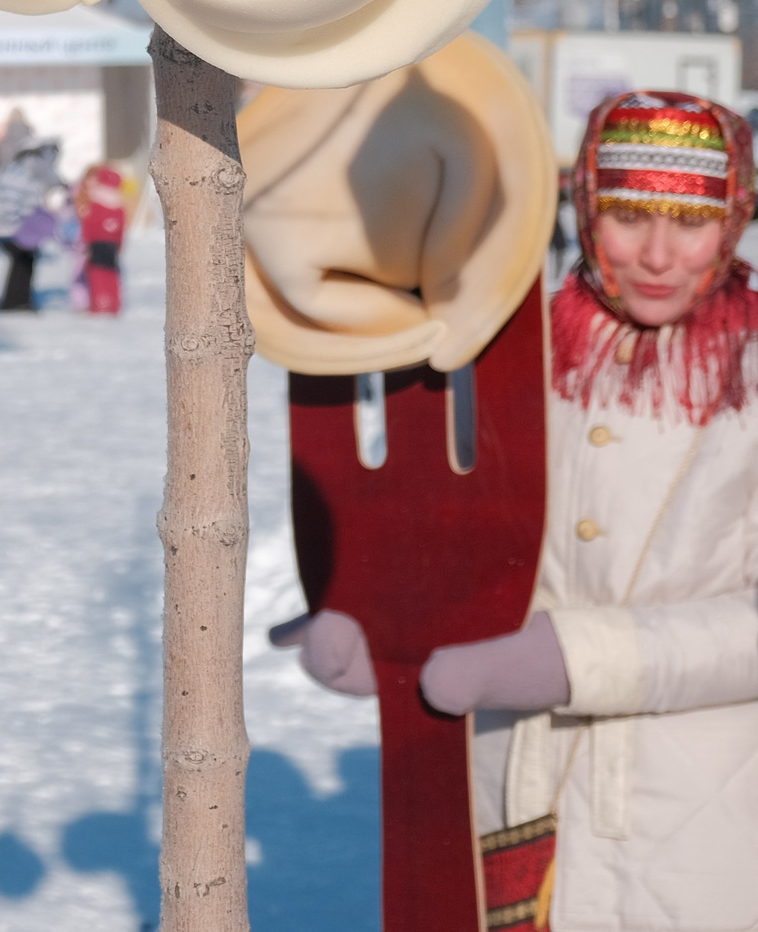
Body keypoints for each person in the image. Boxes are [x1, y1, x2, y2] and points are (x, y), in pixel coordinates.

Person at [280, 91, 758, 930]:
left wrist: (578, 656)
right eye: (628, 216)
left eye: (689, 221)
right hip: (502, 795)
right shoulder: (503, 350)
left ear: (735, 218)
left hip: (696, 833)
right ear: (584, 208)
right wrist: (381, 628)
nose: (656, 254)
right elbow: (447, 531)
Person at [0, 134, 66, 313]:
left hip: (12, 228)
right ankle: (14, 301)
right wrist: (18, 228)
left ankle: (19, 299)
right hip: (4, 229)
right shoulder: (18, 175)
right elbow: (8, 206)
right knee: (23, 256)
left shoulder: (26, 175)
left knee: (28, 257)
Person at [76, 163, 130, 314]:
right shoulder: (119, 204)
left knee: (97, 273)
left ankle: (99, 302)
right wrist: (119, 245)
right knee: (112, 274)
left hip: (96, 243)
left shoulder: (95, 201)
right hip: (112, 244)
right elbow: (121, 229)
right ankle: (113, 302)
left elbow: (90, 224)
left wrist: (86, 240)